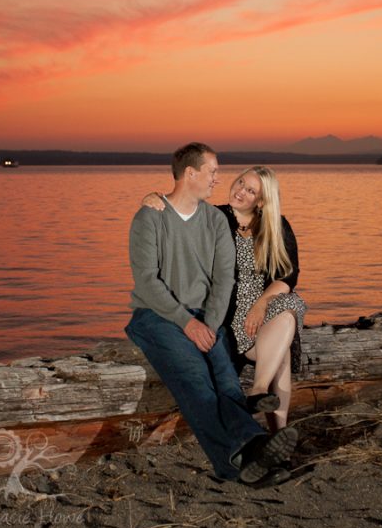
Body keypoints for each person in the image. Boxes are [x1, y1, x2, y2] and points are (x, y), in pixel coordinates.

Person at [125, 143, 298, 487]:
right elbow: (146, 281)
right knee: (197, 382)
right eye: (213, 172)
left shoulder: (216, 220)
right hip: (157, 316)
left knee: (227, 383)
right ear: (190, 173)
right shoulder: (150, 217)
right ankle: (253, 450)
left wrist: (211, 322)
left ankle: (239, 464)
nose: (219, 179)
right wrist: (186, 322)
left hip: (206, 317)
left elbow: (225, 278)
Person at [142, 165, 306, 430]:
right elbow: (175, 215)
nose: (240, 191)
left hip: (262, 320)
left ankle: (260, 392)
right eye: (241, 182)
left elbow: (289, 275)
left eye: (250, 190)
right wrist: (151, 198)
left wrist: (261, 304)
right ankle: (276, 428)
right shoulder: (213, 216)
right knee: (282, 355)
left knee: (290, 308)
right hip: (228, 321)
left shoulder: (276, 226)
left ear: (261, 201)